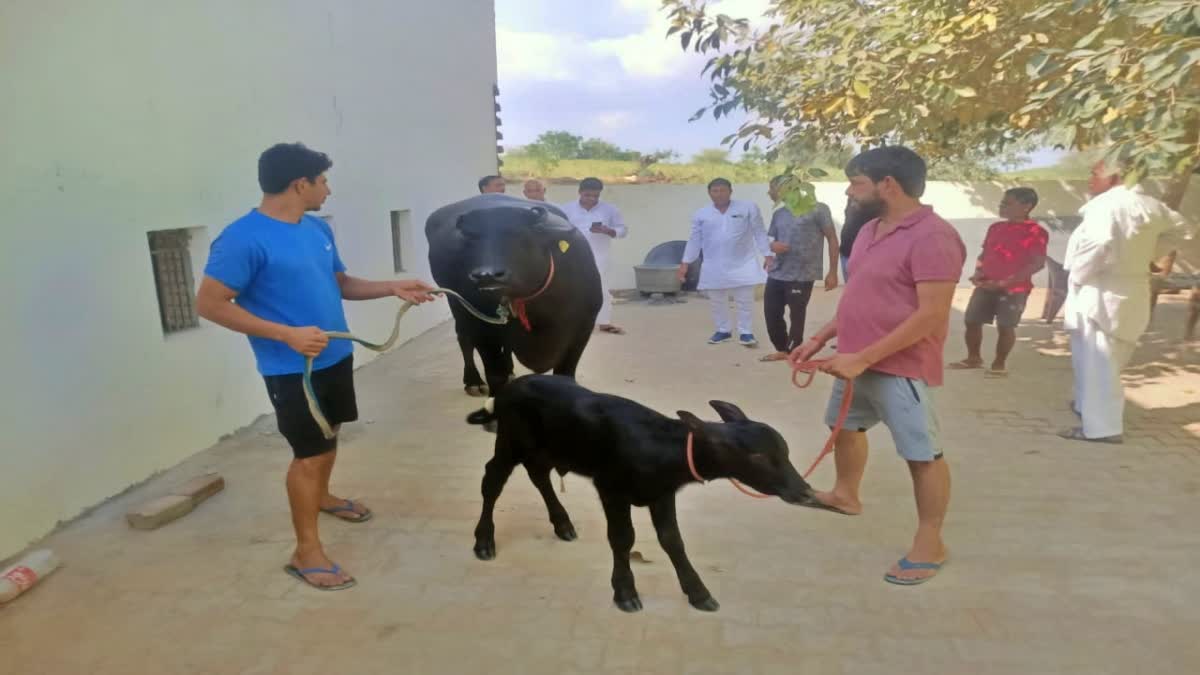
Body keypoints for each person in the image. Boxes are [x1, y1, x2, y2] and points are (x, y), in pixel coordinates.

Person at [196, 143, 438, 590]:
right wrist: (285, 334)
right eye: (323, 180)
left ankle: (323, 497)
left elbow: (341, 284)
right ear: (299, 184)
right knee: (309, 455)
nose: (328, 188)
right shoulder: (242, 239)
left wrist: (393, 288)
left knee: (330, 437)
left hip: (335, 357)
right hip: (292, 370)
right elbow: (210, 304)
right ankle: (306, 551)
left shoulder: (314, 229)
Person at [788, 146, 966, 585]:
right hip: (853, 359)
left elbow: (931, 314)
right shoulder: (869, 230)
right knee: (845, 429)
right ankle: (846, 495)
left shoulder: (934, 236)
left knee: (923, 455)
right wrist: (819, 338)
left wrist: (862, 358)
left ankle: (931, 542)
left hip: (900, 367)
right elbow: (858, 297)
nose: (850, 191)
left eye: (857, 182)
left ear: (888, 184)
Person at [1059, 160, 1194, 443]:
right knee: (1109, 357)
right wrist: (1145, 254)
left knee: (1098, 359)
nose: (1090, 179)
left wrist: (1081, 275)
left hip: (1101, 287)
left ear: (1115, 176)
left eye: (1095, 173)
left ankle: (1102, 428)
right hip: (1132, 286)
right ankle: (1088, 408)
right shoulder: (1150, 205)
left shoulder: (1106, 206)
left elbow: (1098, 244)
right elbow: (1182, 231)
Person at [948, 188, 1048, 377]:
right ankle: (973, 358)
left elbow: (1037, 263)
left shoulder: (1036, 232)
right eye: (1002, 202)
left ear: (1026, 206)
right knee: (971, 320)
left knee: (1006, 325)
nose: (1002, 206)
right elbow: (984, 254)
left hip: (1014, 289)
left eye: (1008, 203)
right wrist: (978, 272)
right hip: (986, 284)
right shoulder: (996, 228)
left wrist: (1006, 282)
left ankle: (999, 363)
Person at [678, 178, 772, 346]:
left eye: (723, 190)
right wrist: (685, 263)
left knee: (744, 300)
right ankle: (723, 330)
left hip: (743, 263)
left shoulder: (747, 207)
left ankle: (746, 332)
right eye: (715, 191)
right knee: (717, 300)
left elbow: (759, 231)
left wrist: (767, 254)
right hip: (714, 264)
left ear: (730, 191)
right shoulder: (701, 214)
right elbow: (694, 240)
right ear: (709, 193)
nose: (719, 194)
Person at [760, 175, 840, 362]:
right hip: (777, 271)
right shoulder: (779, 214)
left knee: (797, 316)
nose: (770, 192)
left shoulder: (818, 209)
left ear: (786, 188)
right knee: (771, 313)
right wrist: (771, 250)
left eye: (772, 188)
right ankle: (781, 349)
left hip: (803, 273)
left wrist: (833, 272)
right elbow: (771, 241)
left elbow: (832, 238)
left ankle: (794, 351)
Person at [559, 177, 628, 334]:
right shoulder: (566, 209)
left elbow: (622, 230)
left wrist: (608, 230)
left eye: (596, 196)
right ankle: (573, 323)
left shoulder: (610, 210)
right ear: (580, 192)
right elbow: (558, 230)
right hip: (572, 256)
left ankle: (604, 323)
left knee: (601, 288)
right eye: (588, 195)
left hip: (599, 256)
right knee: (573, 289)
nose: (592, 199)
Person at [839, 201, 875, 279]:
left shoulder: (875, 200)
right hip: (845, 252)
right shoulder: (851, 198)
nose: (848, 191)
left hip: (866, 255)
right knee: (851, 288)